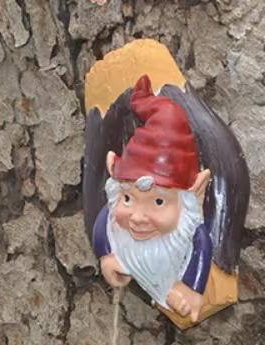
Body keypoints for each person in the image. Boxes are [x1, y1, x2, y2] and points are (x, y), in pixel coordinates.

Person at [91, 75, 213, 320]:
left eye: (158, 202)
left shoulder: (189, 231)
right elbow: (104, 225)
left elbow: (202, 248)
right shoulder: (114, 219)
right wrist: (108, 256)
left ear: (191, 194)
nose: (137, 217)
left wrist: (190, 288)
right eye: (127, 199)